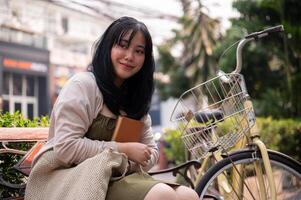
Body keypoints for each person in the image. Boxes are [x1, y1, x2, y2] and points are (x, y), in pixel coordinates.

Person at [25, 16, 199, 200]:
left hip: (114, 177)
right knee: (161, 195)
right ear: (108, 47)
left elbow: (150, 151)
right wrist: (124, 149)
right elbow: (66, 148)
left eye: (139, 51)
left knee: (190, 195)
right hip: (67, 179)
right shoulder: (84, 86)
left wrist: (135, 157)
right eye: (123, 46)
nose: (129, 56)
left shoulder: (134, 98)